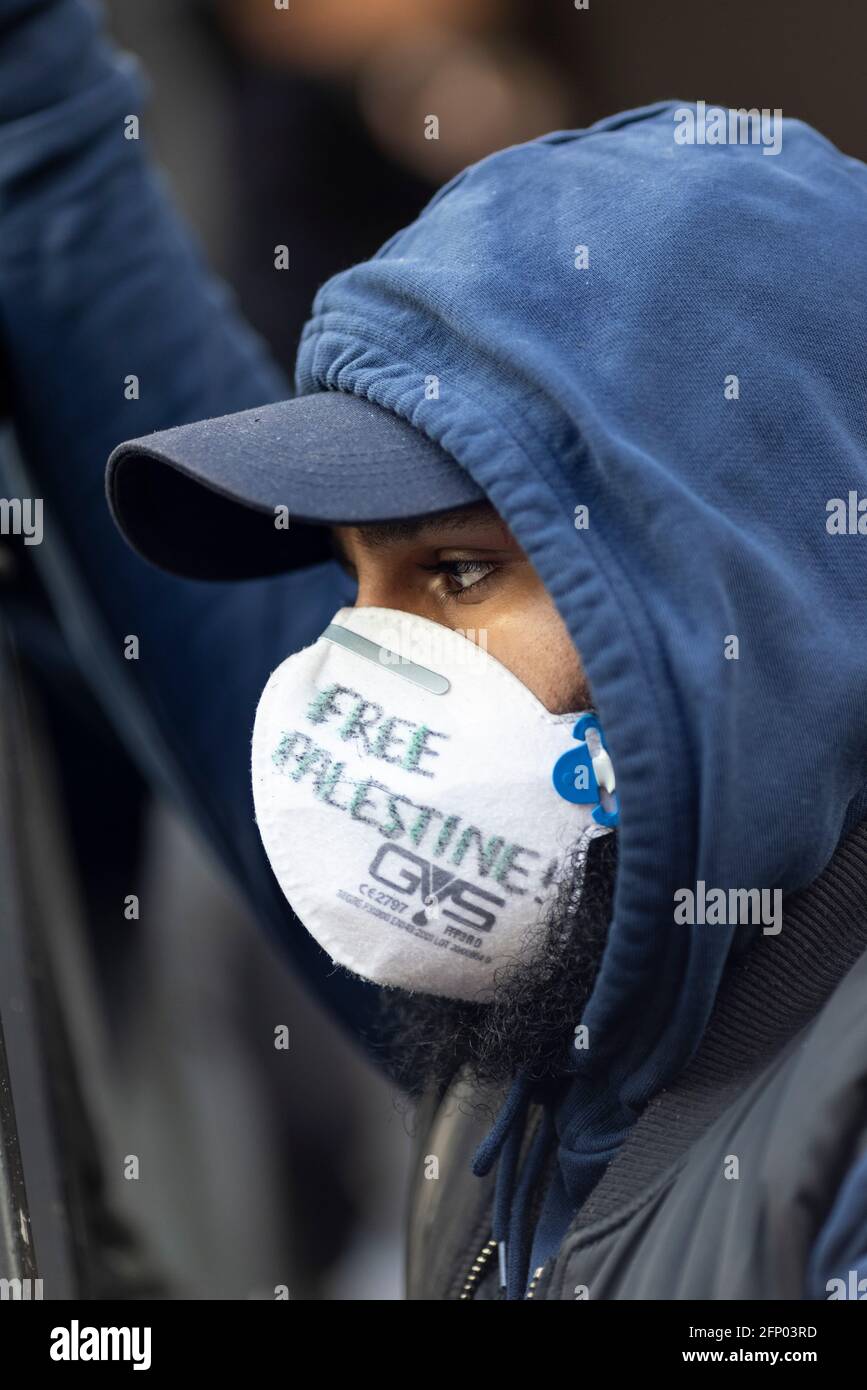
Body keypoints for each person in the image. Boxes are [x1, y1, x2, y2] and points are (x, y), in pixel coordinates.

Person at [3, 0, 867, 1301]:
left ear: (746, 601)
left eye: (456, 571)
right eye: (352, 578)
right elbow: (73, 240)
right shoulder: (557, 1026)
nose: (361, 675)